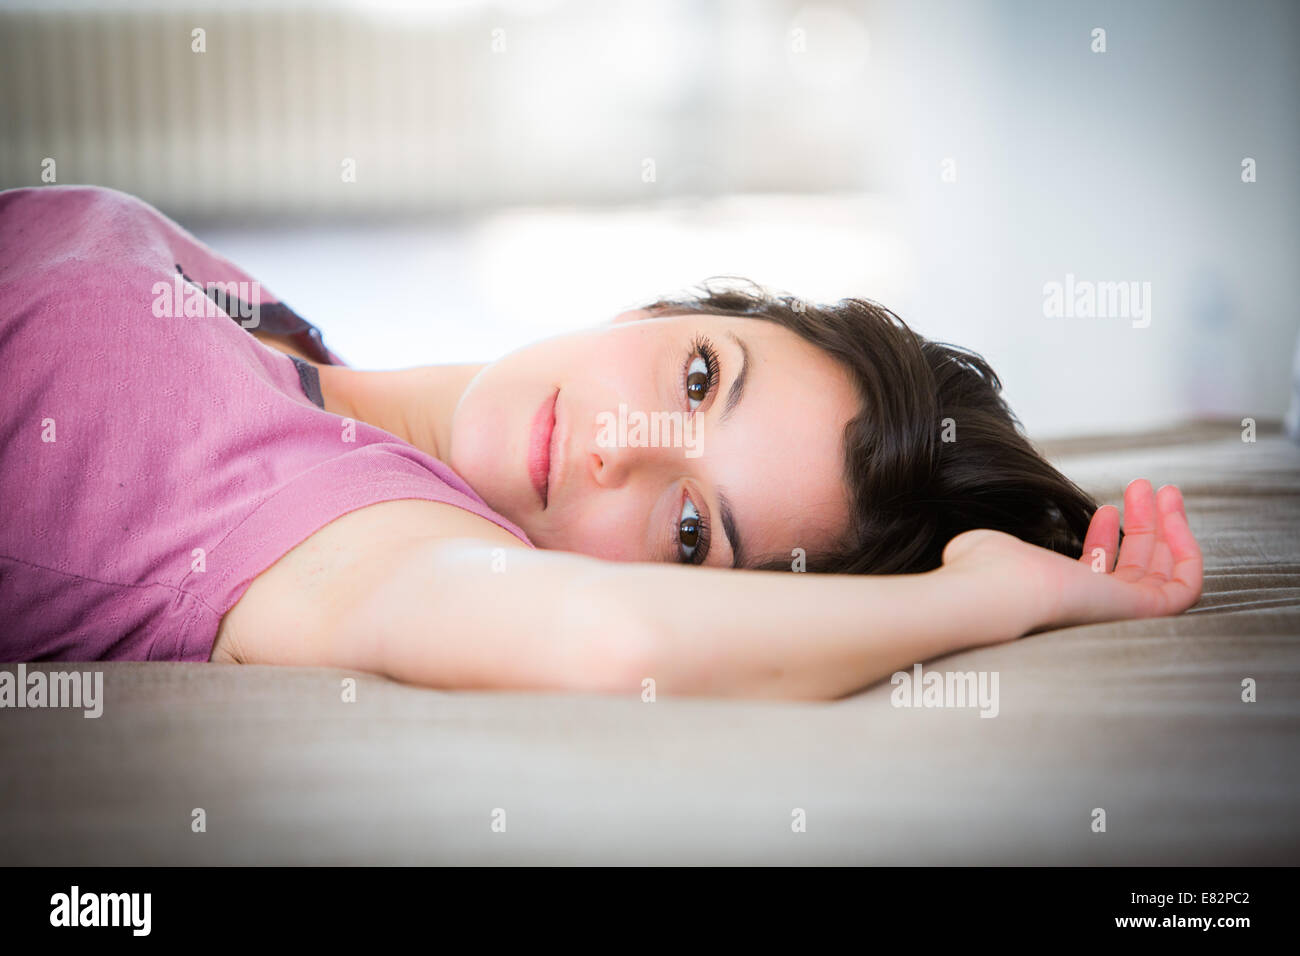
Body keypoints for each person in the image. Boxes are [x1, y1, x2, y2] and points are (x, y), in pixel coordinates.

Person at [0, 186, 1203, 699]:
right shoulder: (290, 348)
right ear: (667, 307)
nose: (622, 448)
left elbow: (606, 638)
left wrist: (978, 599)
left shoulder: (348, 539)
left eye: (691, 529)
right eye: (697, 376)